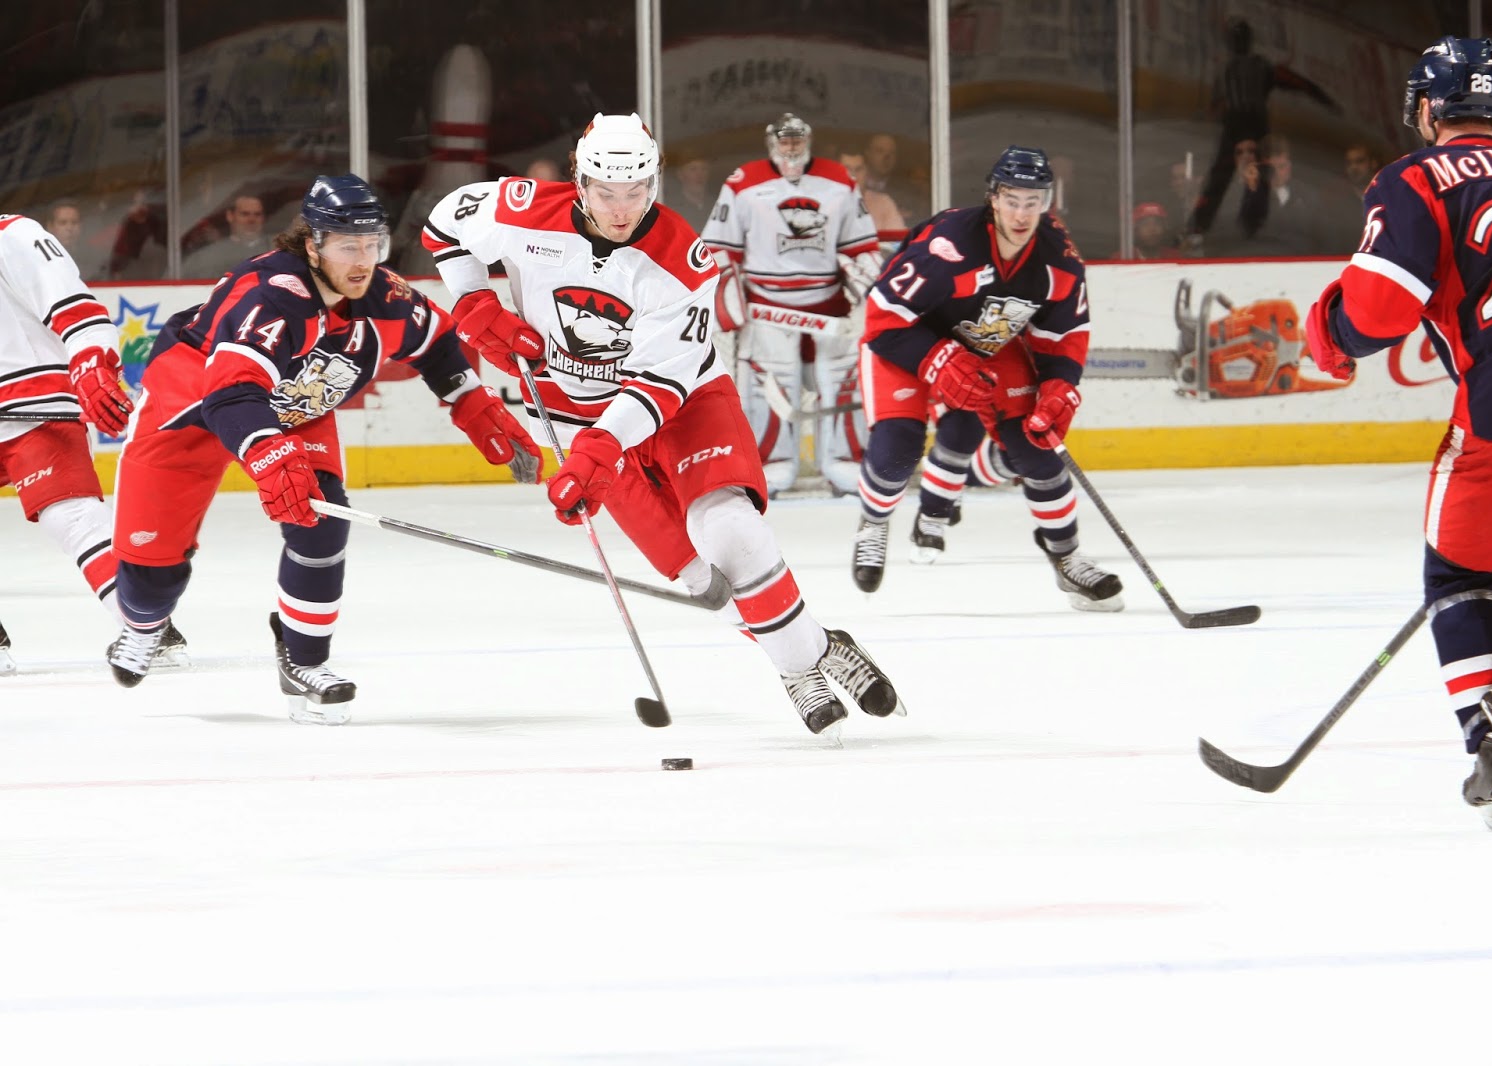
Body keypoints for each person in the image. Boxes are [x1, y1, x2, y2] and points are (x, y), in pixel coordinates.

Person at [421, 113, 902, 738]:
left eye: (638, 191)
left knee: (726, 527)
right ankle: (815, 648)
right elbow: (445, 223)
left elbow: (660, 384)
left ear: (655, 180)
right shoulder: (522, 207)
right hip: (574, 415)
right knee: (701, 578)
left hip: (683, 403)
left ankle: (796, 671)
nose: (622, 210)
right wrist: (471, 300)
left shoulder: (683, 260)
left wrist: (597, 450)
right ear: (579, 179)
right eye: (606, 193)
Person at [1303, 36, 1492, 833]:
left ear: (1427, 107)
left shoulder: (1412, 179)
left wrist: (1325, 336)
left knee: (1460, 576)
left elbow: (1378, 313)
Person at [105, 174, 535, 724]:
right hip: (192, 400)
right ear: (312, 244)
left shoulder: (384, 296)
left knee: (322, 522)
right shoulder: (272, 298)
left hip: (296, 405)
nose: (363, 259)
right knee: (150, 569)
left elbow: (437, 342)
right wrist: (267, 453)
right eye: (346, 246)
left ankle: (304, 659)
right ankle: (144, 627)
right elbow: (232, 393)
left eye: (372, 244)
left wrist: (473, 406)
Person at [849, 147, 1123, 612]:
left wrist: (1060, 385)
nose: (1022, 213)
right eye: (1013, 200)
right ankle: (874, 523)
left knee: (1038, 449)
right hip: (908, 340)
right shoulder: (951, 246)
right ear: (994, 198)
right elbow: (883, 318)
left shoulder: (1058, 260)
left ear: (1046, 202)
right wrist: (935, 359)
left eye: (1032, 201)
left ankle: (1067, 560)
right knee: (897, 449)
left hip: (987, 344)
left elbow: (1063, 337)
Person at [0, 211, 185, 672]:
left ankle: (144, 621)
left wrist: (88, 355)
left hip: (28, 396)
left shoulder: (12, 233)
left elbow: (70, 298)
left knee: (71, 511)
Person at [700, 113, 883, 497]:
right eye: (784, 142)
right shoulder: (743, 182)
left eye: (797, 141)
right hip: (767, 306)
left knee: (844, 381)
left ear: (809, 142)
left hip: (829, 304)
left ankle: (845, 459)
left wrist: (865, 277)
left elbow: (860, 243)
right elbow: (717, 246)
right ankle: (771, 461)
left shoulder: (838, 181)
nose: (791, 148)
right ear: (771, 144)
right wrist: (726, 292)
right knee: (768, 384)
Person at [1183, 17, 1339, 251]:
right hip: (1251, 123)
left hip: (1240, 124)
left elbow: (1216, 105)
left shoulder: (1231, 69)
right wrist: (1325, 100)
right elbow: (1300, 83)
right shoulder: (1256, 67)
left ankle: (1207, 226)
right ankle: (1236, 223)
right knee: (1247, 173)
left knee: (1228, 175)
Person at [183, 193, 269, 279]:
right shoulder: (210, 255)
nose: (251, 220)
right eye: (245, 214)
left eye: (257, 214)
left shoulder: (273, 251)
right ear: (230, 216)